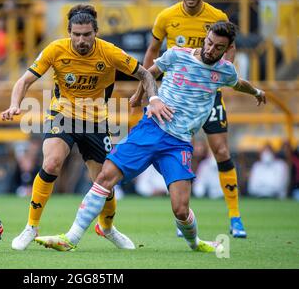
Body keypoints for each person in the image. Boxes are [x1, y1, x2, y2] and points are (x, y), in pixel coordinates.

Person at [35, 21, 266, 253]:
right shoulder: (176, 55)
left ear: (227, 49)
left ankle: (196, 243)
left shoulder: (225, 70)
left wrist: (256, 91)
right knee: (105, 176)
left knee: (181, 210)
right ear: (205, 37)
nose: (210, 50)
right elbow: (150, 73)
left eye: (218, 47)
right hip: (152, 128)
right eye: (209, 42)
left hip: (179, 143)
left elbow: (238, 84)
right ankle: (72, 237)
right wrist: (140, 97)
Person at [1, 4, 158, 251]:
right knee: (51, 162)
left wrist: (152, 100)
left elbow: (146, 75)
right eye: (76, 34)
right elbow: (25, 79)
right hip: (62, 115)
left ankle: (107, 228)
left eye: (86, 34)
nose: (81, 40)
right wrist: (14, 104)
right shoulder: (56, 49)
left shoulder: (110, 52)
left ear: (95, 32)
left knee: (104, 182)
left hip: (96, 122)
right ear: (69, 32)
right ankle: (31, 227)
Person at [130, 0, 248, 238]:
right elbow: (152, 52)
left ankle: (235, 217)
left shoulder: (217, 18)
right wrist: (143, 91)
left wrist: (220, 75)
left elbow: (229, 49)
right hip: (177, 97)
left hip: (208, 93)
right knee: (182, 150)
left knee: (221, 150)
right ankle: (184, 217)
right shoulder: (167, 17)